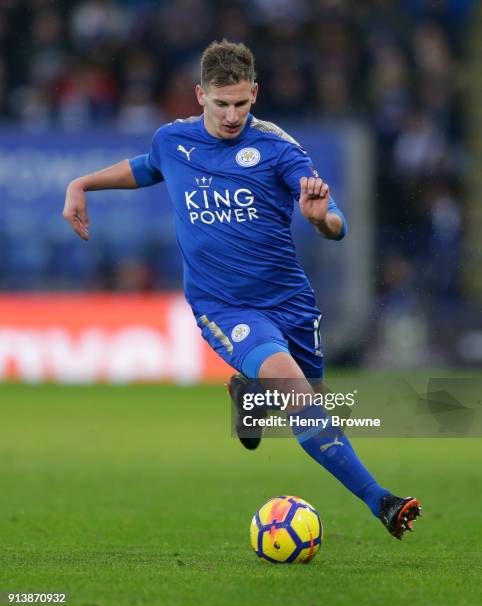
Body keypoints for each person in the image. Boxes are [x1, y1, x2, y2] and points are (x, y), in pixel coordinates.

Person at [63, 40, 421, 539]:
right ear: (200, 95)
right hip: (223, 305)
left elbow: (336, 221)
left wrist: (320, 221)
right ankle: (381, 500)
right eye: (220, 103)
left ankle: (250, 400)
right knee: (301, 398)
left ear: (255, 93)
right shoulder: (174, 140)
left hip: (290, 302)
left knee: (307, 401)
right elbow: (147, 167)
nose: (231, 115)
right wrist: (82, 184)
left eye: (241, 104)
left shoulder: (279, 148)